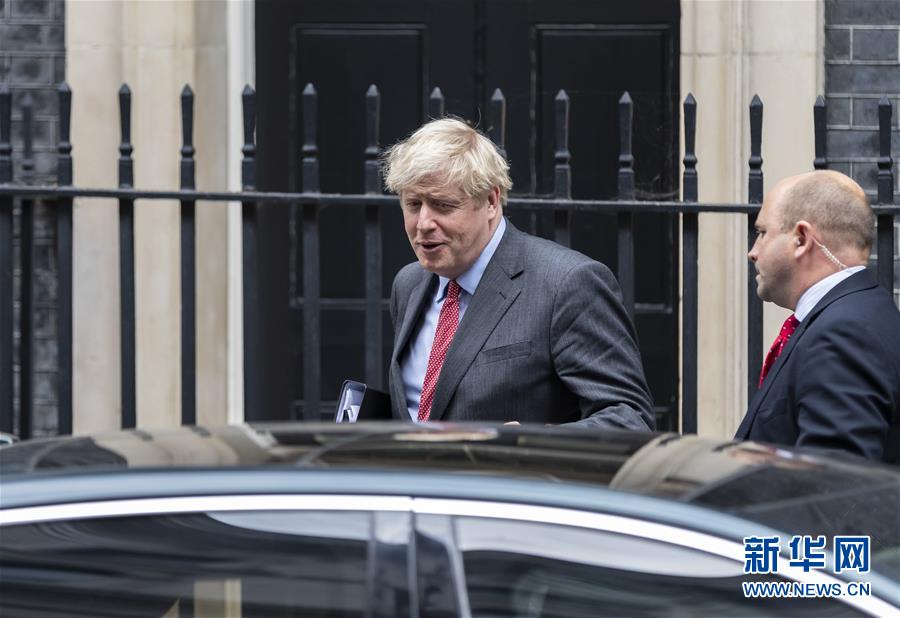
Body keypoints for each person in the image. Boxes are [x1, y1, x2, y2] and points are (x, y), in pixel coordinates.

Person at [382, 117, 654, 429]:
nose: (423, 223)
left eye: (443, 205)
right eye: (413, 204)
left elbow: (630, 418)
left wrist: (530, 444)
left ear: (491, 201)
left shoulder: (567, 284)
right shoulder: (409, 284)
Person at [736, 170, 900, 463]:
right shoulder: (863, 311)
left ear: (801, 239)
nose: (753, 252)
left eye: (761, 233)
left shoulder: (843, 335)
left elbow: (833, 478)